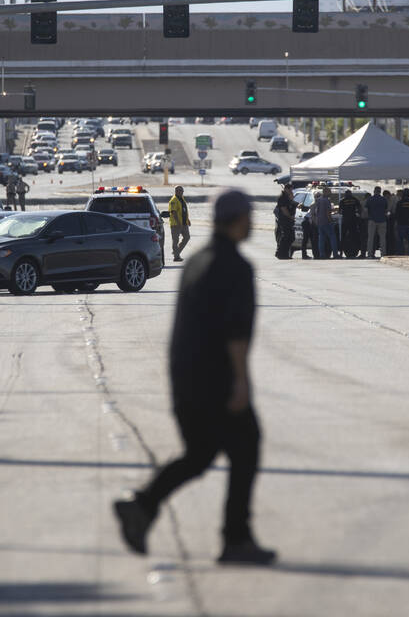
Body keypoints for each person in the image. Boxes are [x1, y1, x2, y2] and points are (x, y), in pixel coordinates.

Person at [113, 190, 275, 566]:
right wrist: (241, 383)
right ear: (238, 220)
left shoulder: (199, 260)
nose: (250, 223)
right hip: (214, 381)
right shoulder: (234, 266)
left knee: (201, 454)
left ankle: (142, 506)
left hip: (186, 378)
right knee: (246, 444)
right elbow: (236, 334)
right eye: (248, 217)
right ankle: (235, 539)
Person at [310, 186, 337, 260]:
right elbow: (328, 213)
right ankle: (335, 254)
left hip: (319, 222)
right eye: (329, 191)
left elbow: (316, 211)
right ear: (325, 192)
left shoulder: (318, 200)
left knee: (321, 239)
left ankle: (322, 254)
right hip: (326, 222)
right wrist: (331, 221)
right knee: (332, 237)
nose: (330, 193)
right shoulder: (326, 200)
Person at [337, 188, 363, 259]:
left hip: (345, 220)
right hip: (353, 220)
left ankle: (341, 252)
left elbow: (339, 211)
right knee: (354, 236)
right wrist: (359, 214)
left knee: (343, 236)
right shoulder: (355, 199)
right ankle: (355, 251)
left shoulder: (342, 200)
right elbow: (360, 208)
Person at [364, 186, 388, 259]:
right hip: (382, 220)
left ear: (374, 191)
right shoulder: (384, 199)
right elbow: (386, 210)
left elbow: (365, 210)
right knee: (382, 238)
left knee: (370, 238)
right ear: (380, 191)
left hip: (372, 220)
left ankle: (370, 254)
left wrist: (369, 216)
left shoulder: (370, 199)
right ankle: (383, 254)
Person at [273, 184, 296, 260]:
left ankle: (284, 253)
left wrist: (292, 200)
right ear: (286, 189)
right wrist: (290, 216)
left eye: (291, 190)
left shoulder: (287, 197)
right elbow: (284, 209)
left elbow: (292, 205)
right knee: (286, 236)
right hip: (284, 220)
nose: (291, 191)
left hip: (288, 220)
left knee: (291, 237)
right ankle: (280, 253)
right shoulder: (282, 198)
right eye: (290, 189)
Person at [168, 186, 191, 262]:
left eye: (182, 191)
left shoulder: (182, 199)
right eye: (180, 191)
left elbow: (184, 210)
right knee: (175, 240)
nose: (182, 192)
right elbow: (173, 212)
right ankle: (176, 257)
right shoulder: (174, 200)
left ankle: (176, 252)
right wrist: (178, 223)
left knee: (187, 237)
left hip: (184, 223)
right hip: (176, 224)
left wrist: (188, 220)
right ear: (176, 191)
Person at [394, 188, 409, 256]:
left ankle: (401, 253)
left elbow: (397, 214)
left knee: (401, 240)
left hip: (401, 224)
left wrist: (396, 223)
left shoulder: (400, 202)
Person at [384, 188, 399, 255]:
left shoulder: (393, 199)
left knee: (393, 236)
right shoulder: (394, 198)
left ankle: (392, 250)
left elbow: (389, 209)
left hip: (394, 218)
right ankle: (393, 250)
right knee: (392, 236)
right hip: (393, 218)